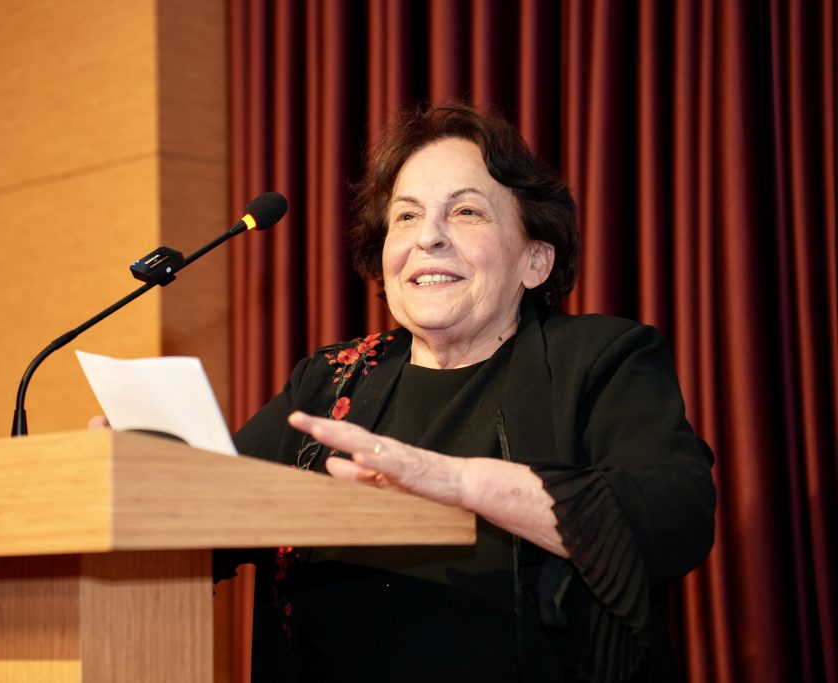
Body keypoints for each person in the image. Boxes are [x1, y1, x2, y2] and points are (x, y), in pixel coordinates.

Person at [226, 105, 716, 683]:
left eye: (465, 211)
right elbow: (210, 516)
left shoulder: (599, 359)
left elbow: (674, 515)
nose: (428, 237)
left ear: (535, 260)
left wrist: (458, 484)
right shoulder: (330, 379)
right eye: (406, 216)